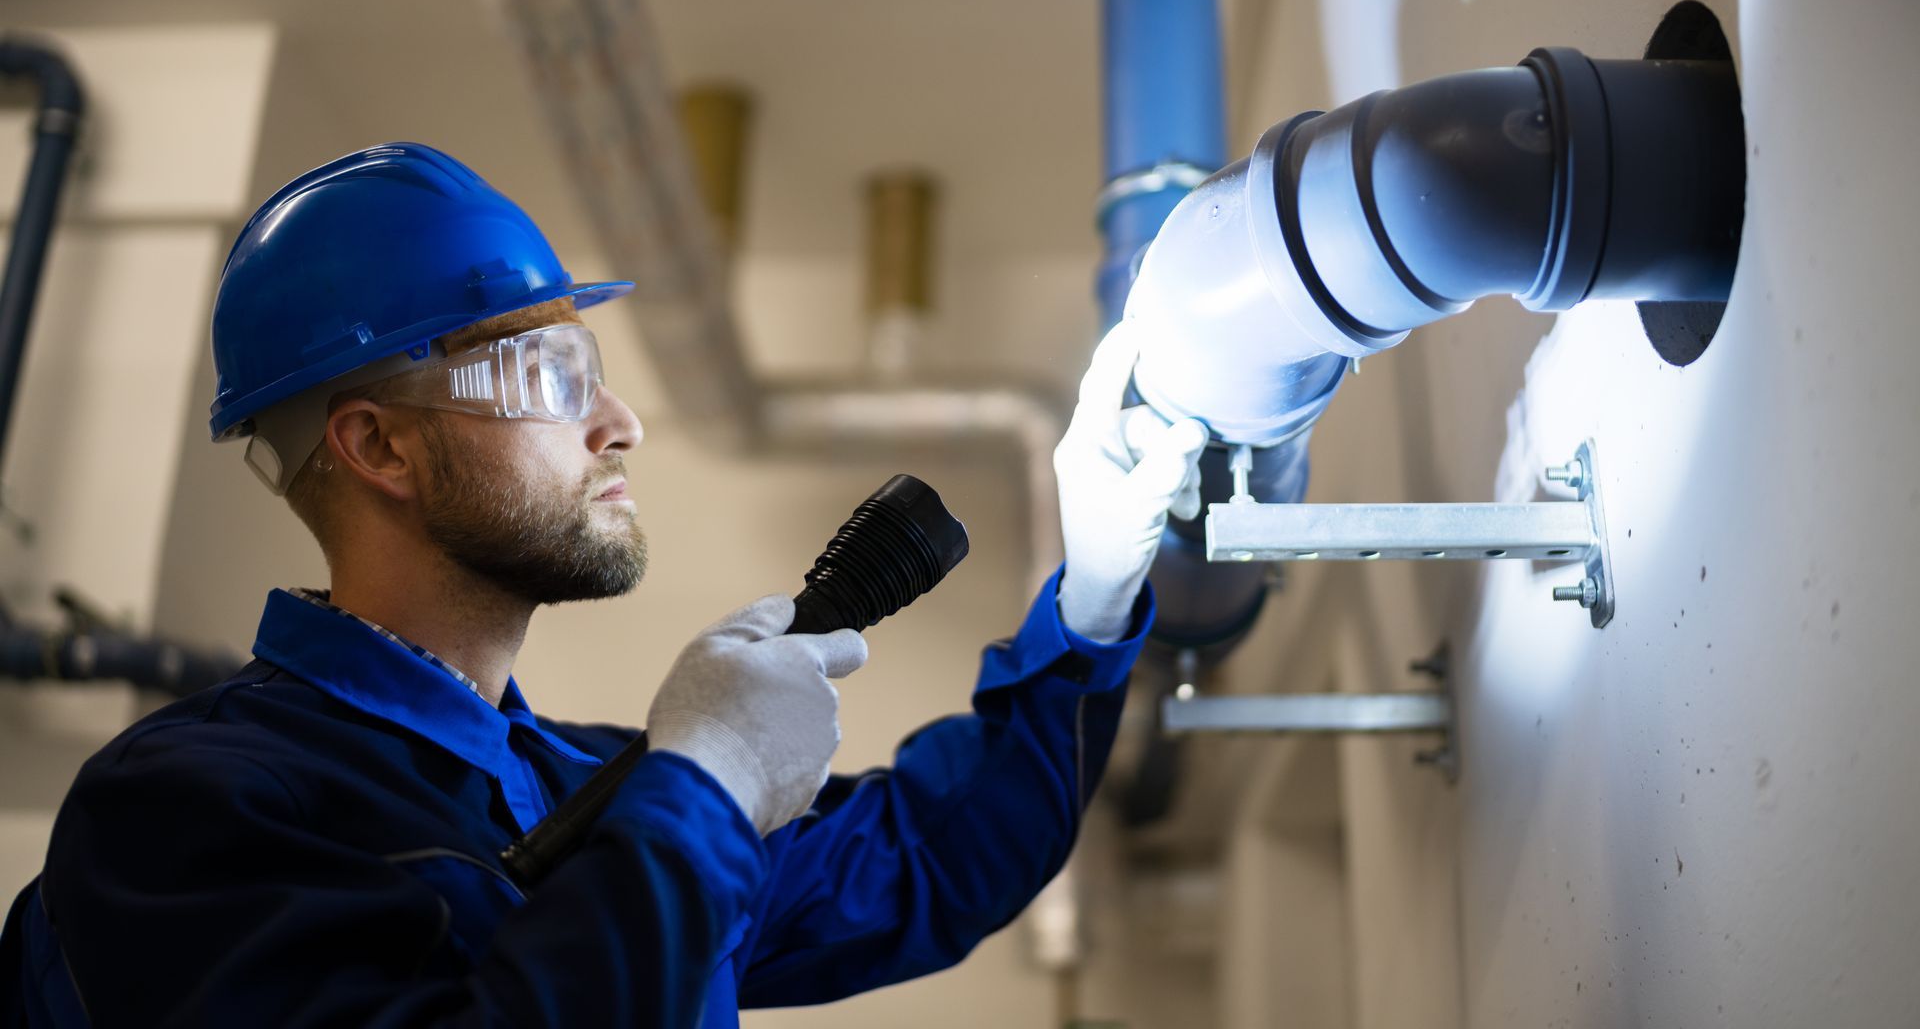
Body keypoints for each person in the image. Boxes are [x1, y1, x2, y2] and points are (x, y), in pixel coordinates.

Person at [0, 142, 1207, 1027]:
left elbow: (926, 861)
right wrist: (710, 785)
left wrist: (1095, 594)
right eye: (549, 369)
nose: (620, 421)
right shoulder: (183, 813)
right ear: (379, 446)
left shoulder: (580, 792)